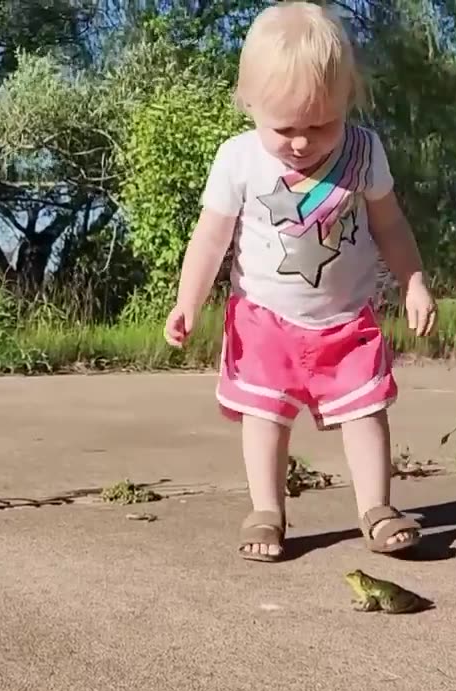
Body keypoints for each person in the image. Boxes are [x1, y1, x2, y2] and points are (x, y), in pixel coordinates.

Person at [162, 2, 437, 562]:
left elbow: (390, 223)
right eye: (283, 127)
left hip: (345, 319)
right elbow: (210, 238)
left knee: (366, 412)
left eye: (321, 125)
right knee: (264, 416)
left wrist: (414, 280)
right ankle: (267, 509)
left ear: (347, 103)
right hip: (263, 318)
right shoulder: (238, 160)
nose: (302, 142)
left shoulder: (363, 153)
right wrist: (188, 300)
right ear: (249, 105)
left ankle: (376, 507)